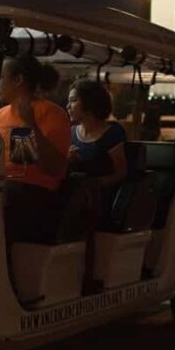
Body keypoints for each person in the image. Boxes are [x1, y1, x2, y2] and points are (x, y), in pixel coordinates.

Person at [0, 55, 69, 247]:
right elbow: (17, 161)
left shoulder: (51, 113)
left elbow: (53, 168)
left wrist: (31, 124)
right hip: (3, 187)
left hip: (33, 196)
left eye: (2, 77)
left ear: (18, 80)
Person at [65, 80, 126, 295]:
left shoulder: (112, 133)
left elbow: (121, 173)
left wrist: (95, 184)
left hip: (103, 194)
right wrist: (68, 160)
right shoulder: (71, 133)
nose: (68, 106)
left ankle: (88, 275)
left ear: (89, 103)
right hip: (76, 191)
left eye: (73, 101)